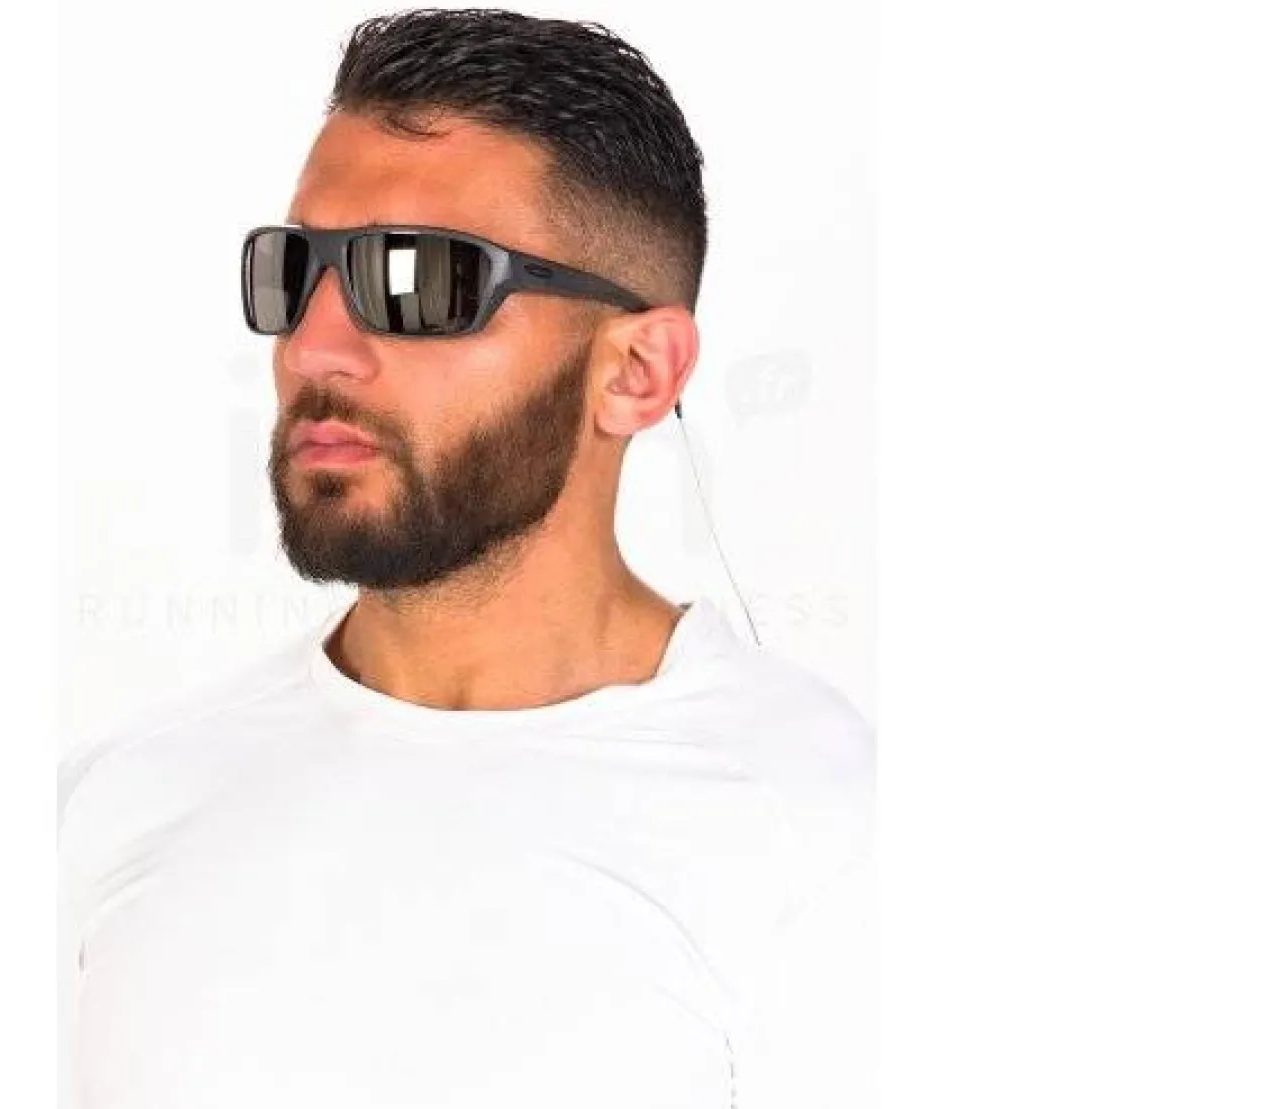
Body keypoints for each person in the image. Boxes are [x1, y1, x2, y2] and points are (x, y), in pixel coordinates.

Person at [59, 9, 874, 1108]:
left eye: (420, 280)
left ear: (637, 371)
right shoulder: (115, 802)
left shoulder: (827, 828)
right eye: (294, 271)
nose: (315, 348)